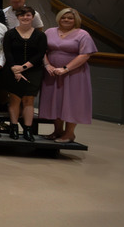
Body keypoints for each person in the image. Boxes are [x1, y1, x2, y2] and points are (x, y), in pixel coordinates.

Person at [40, 8, 96, 143]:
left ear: (75, 20)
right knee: (55, 100)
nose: (66, 20)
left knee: (72, 102)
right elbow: (42, 50)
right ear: (59, 18)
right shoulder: (49, 32)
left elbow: (85, 55)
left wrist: (66, 69)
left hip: (74, 74)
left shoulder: (83, 34)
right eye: (63, 17)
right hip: (52, 73)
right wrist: (47, 65)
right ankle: (57, 130)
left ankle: (69, 133)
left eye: (70, 18)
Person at [0, 6, 49, 141]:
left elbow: (40, 53)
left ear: (33, 17)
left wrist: (24, 67)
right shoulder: (10, 34)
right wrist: (15, 68)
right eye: (22, 15)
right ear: (17, 17)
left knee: (29, 100)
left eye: (28, 15)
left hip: (33, 70)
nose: (25, 18)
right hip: (13, 69)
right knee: (15, 99)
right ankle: (14, 128)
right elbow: (7, 52)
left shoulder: (40, 35)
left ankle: (27, 130)